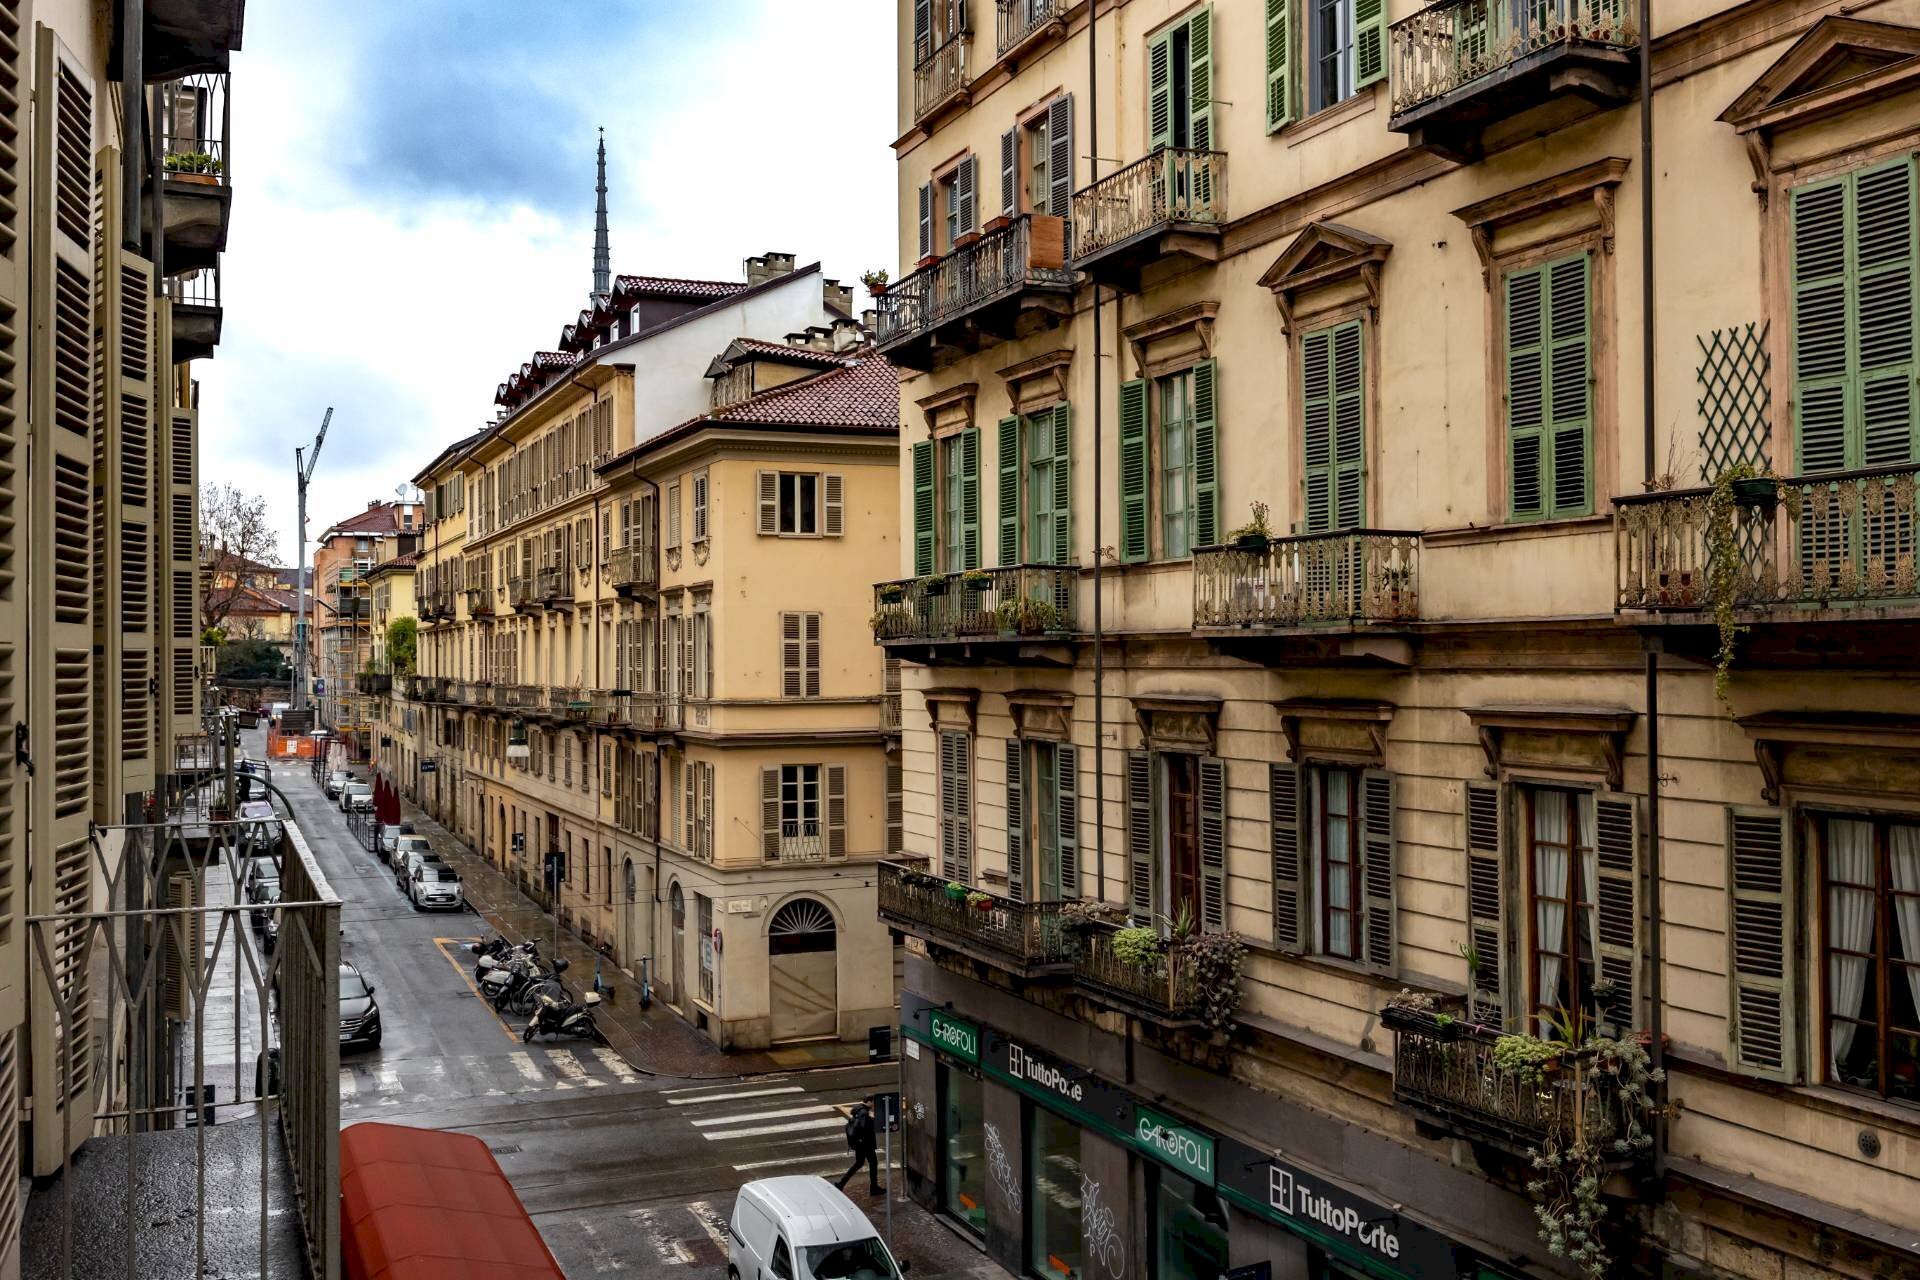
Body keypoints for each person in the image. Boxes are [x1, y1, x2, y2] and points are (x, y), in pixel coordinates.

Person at [834, 1101, 880, 1195]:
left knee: (859, 1163)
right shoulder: (864, 1112)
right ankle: (874, 1188)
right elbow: (864, 1126)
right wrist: (873, 1121)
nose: (875, 1104)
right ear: (869, 1102)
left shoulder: (858, 1110)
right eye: (874, 1102)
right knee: (873, 1163)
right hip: (866, 1144)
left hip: (859, 1144)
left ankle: (841, 1183)